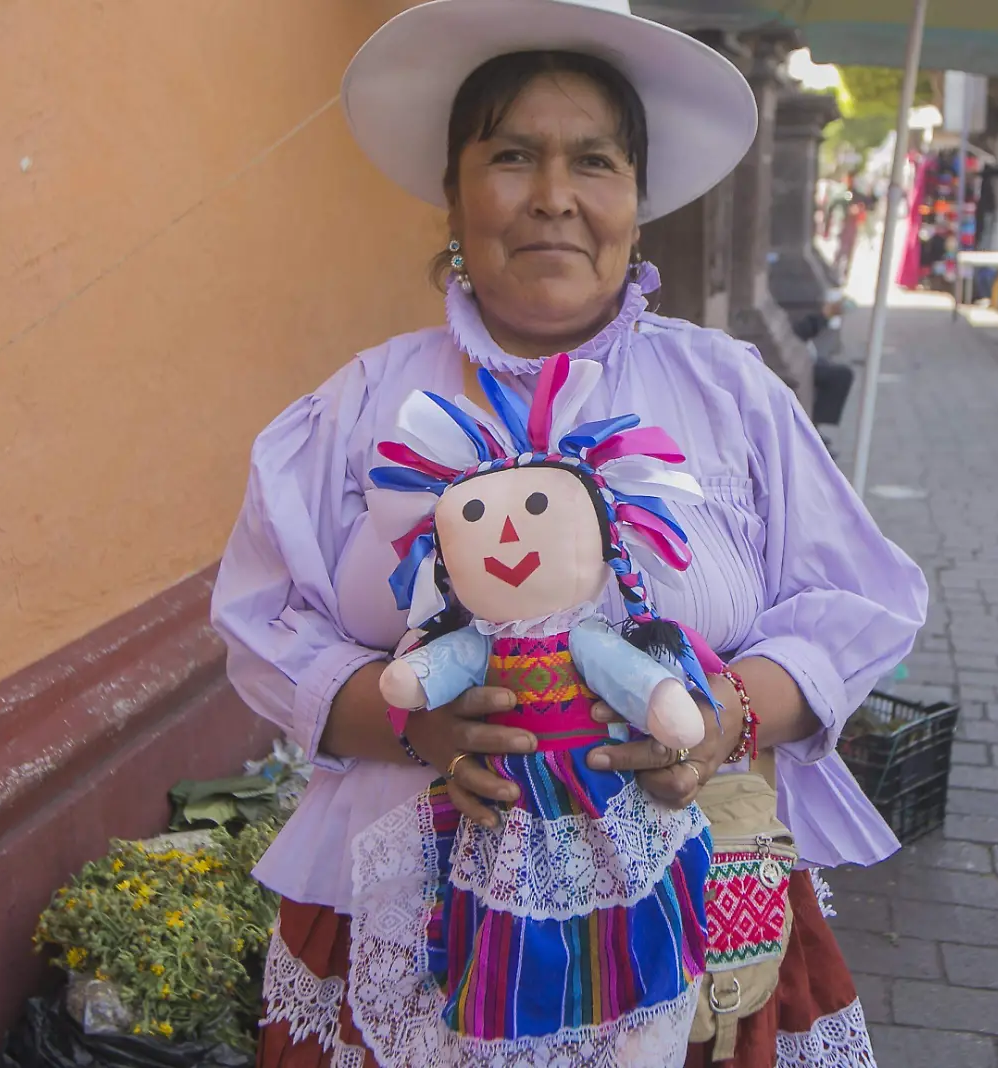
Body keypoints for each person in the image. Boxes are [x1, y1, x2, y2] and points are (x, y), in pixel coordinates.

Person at [210, 1, 929, 1063]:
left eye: (594, 161)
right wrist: (419, 727)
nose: (553, 197)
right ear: (453, 193)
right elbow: (265, 624)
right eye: (511, 154)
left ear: (636, 204)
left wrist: (721, 718)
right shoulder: (363, 408)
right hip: (404, 931)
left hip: (688, 936)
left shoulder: (725, 393)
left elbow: (851, 606)